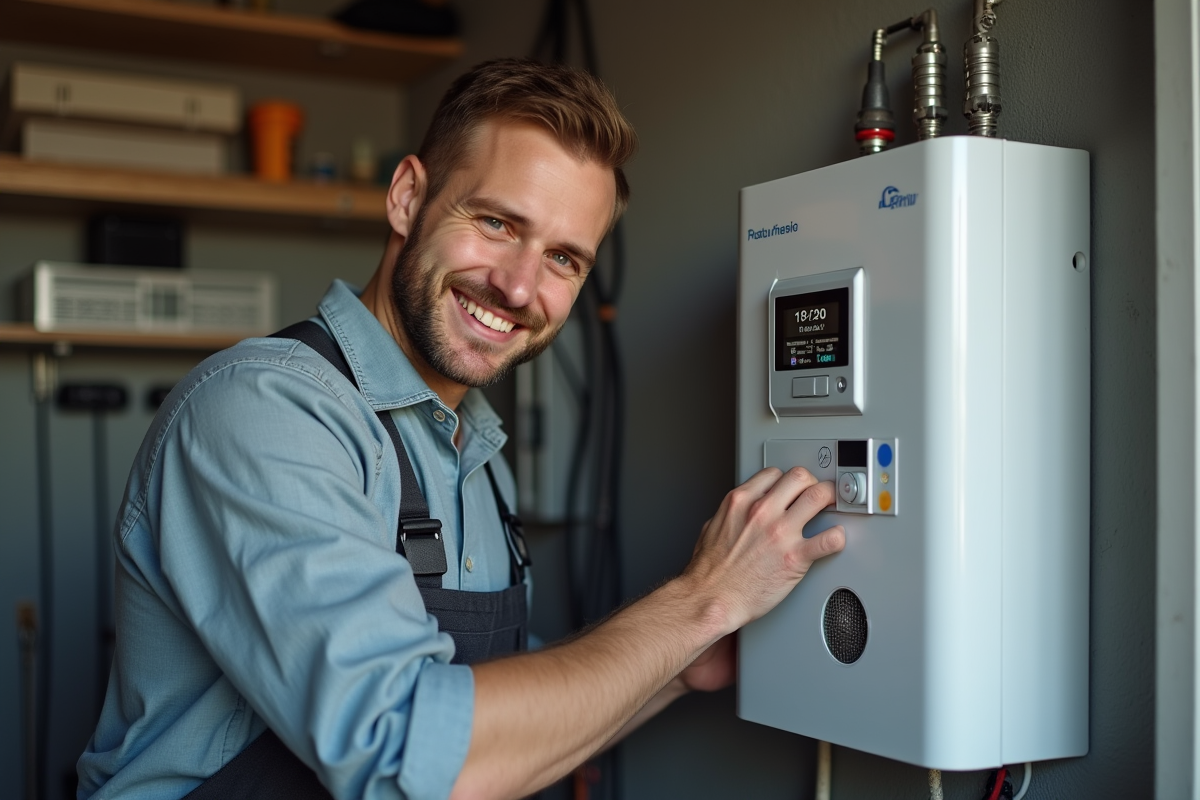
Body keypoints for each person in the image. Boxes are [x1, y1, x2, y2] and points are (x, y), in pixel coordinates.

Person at [77, 58, 845, 800]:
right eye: (496, 222)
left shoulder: (470, 448)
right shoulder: (264, 410)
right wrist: (701, 601)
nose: (518, 286)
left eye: (563, 259)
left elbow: (500, 725)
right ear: (408, 197)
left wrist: (679, 668)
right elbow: (408, 753)